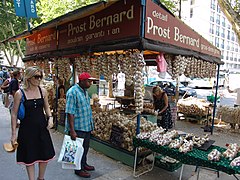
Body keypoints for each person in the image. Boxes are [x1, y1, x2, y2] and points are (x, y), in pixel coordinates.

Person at [10, 66, 55, 180]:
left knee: (45, 154)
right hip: (27, 130)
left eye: (40, 76)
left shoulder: (43, 91)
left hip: (41, 128)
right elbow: (14, 114)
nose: (39, 79)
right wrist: (14, 134)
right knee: (29, 156)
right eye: (36, 77)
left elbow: (47, 108)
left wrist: (50, 118)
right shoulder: (19, 94)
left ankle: (41, 178)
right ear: (29, 78)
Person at [65, 72, 95, 178]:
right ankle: (78, 169)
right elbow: (70, 112)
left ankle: (84, 164)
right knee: (78, 149)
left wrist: (91, 125)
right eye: (88, 81)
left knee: (85, 148)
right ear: (82, 81)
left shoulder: (85, 91)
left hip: (86, 126)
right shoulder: (72, 92)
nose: (90, 83)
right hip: (78, 127)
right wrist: (72, 131)